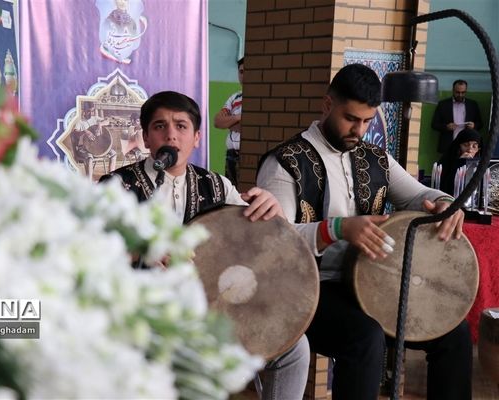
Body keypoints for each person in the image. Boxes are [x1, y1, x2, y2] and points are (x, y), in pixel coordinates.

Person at [257, 64, 472, 400]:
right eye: (350, 118)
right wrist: (337, 229)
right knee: (365, 336)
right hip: (307, 290)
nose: (358, 130)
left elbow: (419, 194)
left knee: (453, 331)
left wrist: (445, 202)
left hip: (372, 284)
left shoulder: (376, 158)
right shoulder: (285, 163)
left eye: (367, 121)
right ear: (327, 105)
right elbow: (275, 242)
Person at [101, 90, 310, 400]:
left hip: (213, 308)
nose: (171, 135)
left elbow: (259, 238)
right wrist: (136, 252)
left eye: (181, 126)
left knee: (294, 348)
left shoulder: (218, 185)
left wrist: (272, 209)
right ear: (146, 138)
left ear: (197, 137)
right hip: (143, 310)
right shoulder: (117, 187)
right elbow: (92, 252)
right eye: (160, 126)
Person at [431, 79, 483, 154]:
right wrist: (446, 127)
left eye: (463, 92)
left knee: (464, 165)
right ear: (452, 90)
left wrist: (474, 126)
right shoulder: (443, 104)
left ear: (466, 91)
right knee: (448, 165)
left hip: (467, 146)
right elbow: (434, 124)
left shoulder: (472, 105)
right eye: (457, 92)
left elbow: (480, 124)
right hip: (448, 144)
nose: (460, 95)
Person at [214, 57, 244, 187]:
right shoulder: (235, 97)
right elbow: (218, 122)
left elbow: (249, 127)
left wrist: (229, 122)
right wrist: (237, 118)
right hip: (231, 155)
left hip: (247, 155)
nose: (243, 76)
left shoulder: (260, 97)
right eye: (241, 72)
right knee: (232, 196)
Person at [438, 128, 483, 197]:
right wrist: (459, 163)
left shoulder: (481, 164)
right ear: (458, 146)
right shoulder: (447, 161)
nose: (470, 150)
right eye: (465, 145)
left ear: (478, 149)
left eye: (474, 146)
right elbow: (445, 187)